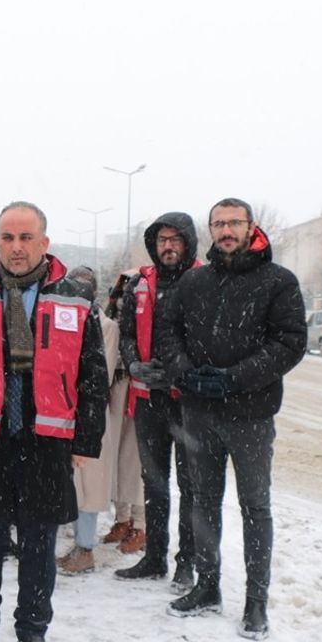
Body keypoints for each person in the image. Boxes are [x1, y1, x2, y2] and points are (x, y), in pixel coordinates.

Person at [0, 201, 107, 642]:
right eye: (8, 238)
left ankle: (32, 628)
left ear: (44, 243)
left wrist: (86, 441)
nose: (17, 247)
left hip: (47, 441)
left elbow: (92, 376)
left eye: (26, 238)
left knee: (37, 549)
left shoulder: (76, 297)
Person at [161, 198, 306, 640]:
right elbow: (168, 332)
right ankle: (207, 586)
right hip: (199, 411)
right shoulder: (194, 281)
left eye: (233, 223)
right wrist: (186, 373)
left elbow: (289, 343)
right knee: (203, 500)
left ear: (250, 227)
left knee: (254, 506)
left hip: (251, 415)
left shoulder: (278, 281)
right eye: (218, 223)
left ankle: (256, 602)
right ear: (210, 230)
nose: (226, 230)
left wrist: (235, 378)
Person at [114, 213, 201, 589]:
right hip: (149, 398)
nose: (168, 246)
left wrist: (183, 372)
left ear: (188, 243)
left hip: (189, 401)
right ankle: (154, 558)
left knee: (191, 485)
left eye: (175, 240)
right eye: (162, 240)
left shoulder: (205, 282)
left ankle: (186, 563)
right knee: (154, 482)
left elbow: (213, 339)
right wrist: (134, 363)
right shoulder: (139, 283)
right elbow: (126, 332)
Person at [55, 265, 121, 576]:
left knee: (89, 482)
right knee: (69, 482)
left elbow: (101, 372)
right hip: (61, 410)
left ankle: (86, 548)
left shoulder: (106, 326)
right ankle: (77, 544)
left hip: (89, 412)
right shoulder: (61, 318)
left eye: (85, 285)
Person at [97, 272, 145, 555]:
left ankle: (141, 524)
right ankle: (122, 520)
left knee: (135, 460)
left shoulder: (147, 318)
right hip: (116, 389)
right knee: (114, 459)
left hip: (138, 389)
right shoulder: (112, 317)